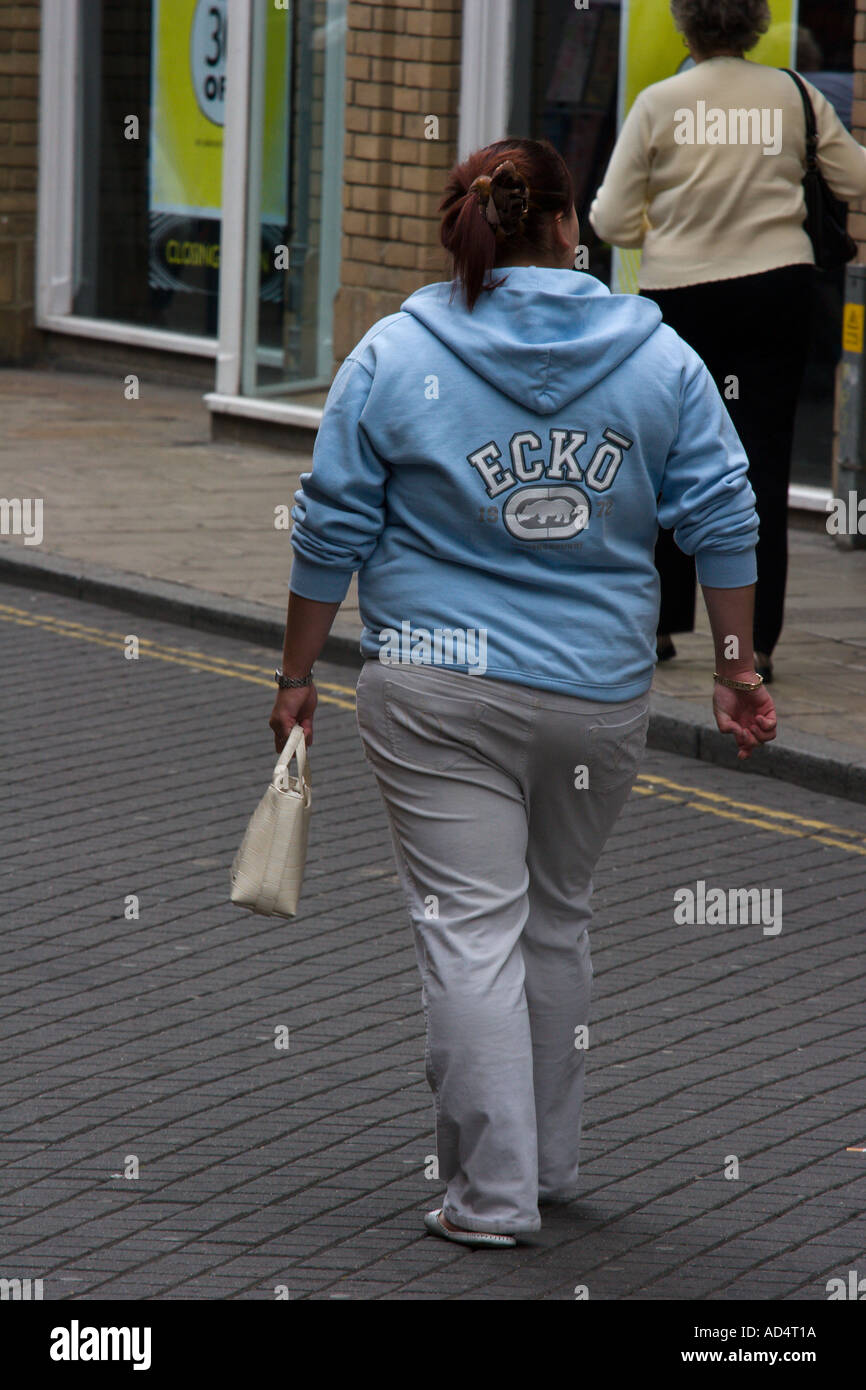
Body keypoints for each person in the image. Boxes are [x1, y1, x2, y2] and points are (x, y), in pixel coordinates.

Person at [269, 138, 777, 1247]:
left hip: (436, 688)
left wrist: (298, 671)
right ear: (565, 228)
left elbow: (330, 521)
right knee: (555, 919)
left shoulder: (396, 351)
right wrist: (736, 668)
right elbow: (724, 516)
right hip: (594, 690)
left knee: (467, 931)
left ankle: (489, 1198)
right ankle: (542, 1166)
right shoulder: (659, 359)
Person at [589, 0, 866, 682]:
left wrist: (678, 219)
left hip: (681, 297)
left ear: (685, 25)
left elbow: (612, 219)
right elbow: (857, 180)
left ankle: (657, 626)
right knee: (760, 460)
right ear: (756, 25)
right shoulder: (796, 95)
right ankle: (754, 645)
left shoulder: (660, 102)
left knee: (665, 455)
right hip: (777, 289)